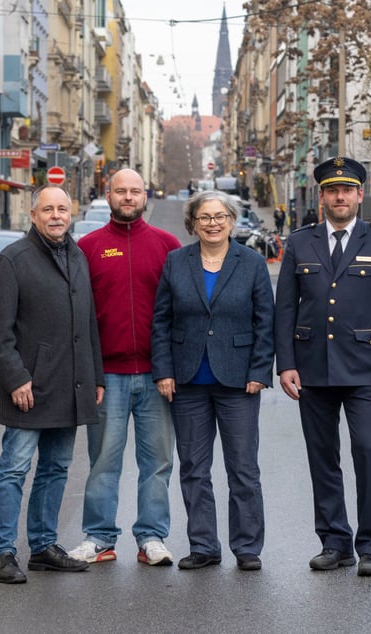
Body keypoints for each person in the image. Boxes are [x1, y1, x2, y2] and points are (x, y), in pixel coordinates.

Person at [274, 156, 371, 577]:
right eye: (332, 190)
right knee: (322, 456)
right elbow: (285, 308)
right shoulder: (300, 241)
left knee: (369, 451)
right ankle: (335, 542)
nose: (339, 196)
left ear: (359, 195)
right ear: (322, 196)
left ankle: (370, 546)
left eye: (347, 190)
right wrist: (286, 364)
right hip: (312, 367)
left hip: (367, 368)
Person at [0, 186, 105, 583]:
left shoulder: (77, 256)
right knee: (13, 470)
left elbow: (88, 323)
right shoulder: (13, 259)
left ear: (71, 213)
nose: (56, 215)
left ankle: (42, 546)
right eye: (48, 209)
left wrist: (95, 377)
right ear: (33, 215)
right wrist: (16, 378)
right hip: (29, 386)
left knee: (56, 468)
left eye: (62, 209)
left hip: (70, 384)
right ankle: (3, 554)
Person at [152, 190, 275, 571]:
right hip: (187, 381)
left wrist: (259, 371)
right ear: (194, 223)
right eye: (204, 217)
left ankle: (247, 547)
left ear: (231, 221)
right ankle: (204, 545)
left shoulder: (252, 263)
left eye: (220, 216)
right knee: (193, 468)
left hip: (238, 382)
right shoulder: (176, 262)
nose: (213, 223)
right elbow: (161, 321)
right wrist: (165, 370)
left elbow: (265, 322)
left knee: (243, 468)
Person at [69, 168, 182, 566]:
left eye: (135, 191)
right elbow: (78, 318)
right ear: (109, 194)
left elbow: (180, 314)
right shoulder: (89, 247)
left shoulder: (168, 246)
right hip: (108, 377)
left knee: (158, 462)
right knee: (103, 460)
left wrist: (173, 369)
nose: (129, 197)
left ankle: (152, 537)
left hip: (157, 375)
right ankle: (99, 537)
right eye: (121, 191)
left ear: (145, 195)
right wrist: (89, 374)